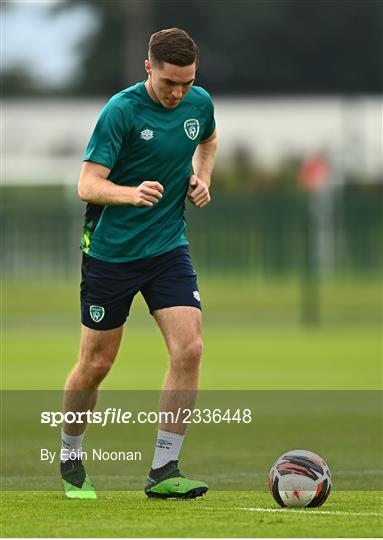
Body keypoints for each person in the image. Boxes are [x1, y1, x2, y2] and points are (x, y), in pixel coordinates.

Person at [60, 28, 217, 500]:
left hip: (169, 247)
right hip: (111, 254)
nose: (179, 93)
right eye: (170, 82)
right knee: (97, 363)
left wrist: (202, 177)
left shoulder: (198, 103)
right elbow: (87, 185)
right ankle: (70, 456)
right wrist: (130, 194)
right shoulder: (121, 111)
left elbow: (207, 140)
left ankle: (164, 469)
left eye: (187, 83)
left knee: (189, 350)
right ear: (148, 68)